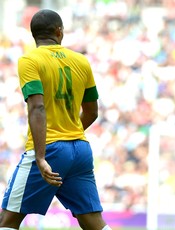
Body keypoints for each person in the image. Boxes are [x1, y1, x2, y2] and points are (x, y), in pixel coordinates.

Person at [0, 9, 111, 230]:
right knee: (93, 223)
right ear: (59, 32)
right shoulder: (81, 61)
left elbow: (37, 106)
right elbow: (92, 112)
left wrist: (41, 157)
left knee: (7, 221)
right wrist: (70, 134)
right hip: (80, 150)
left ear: (34, 35)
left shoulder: (29, 60)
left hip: (48, 149)